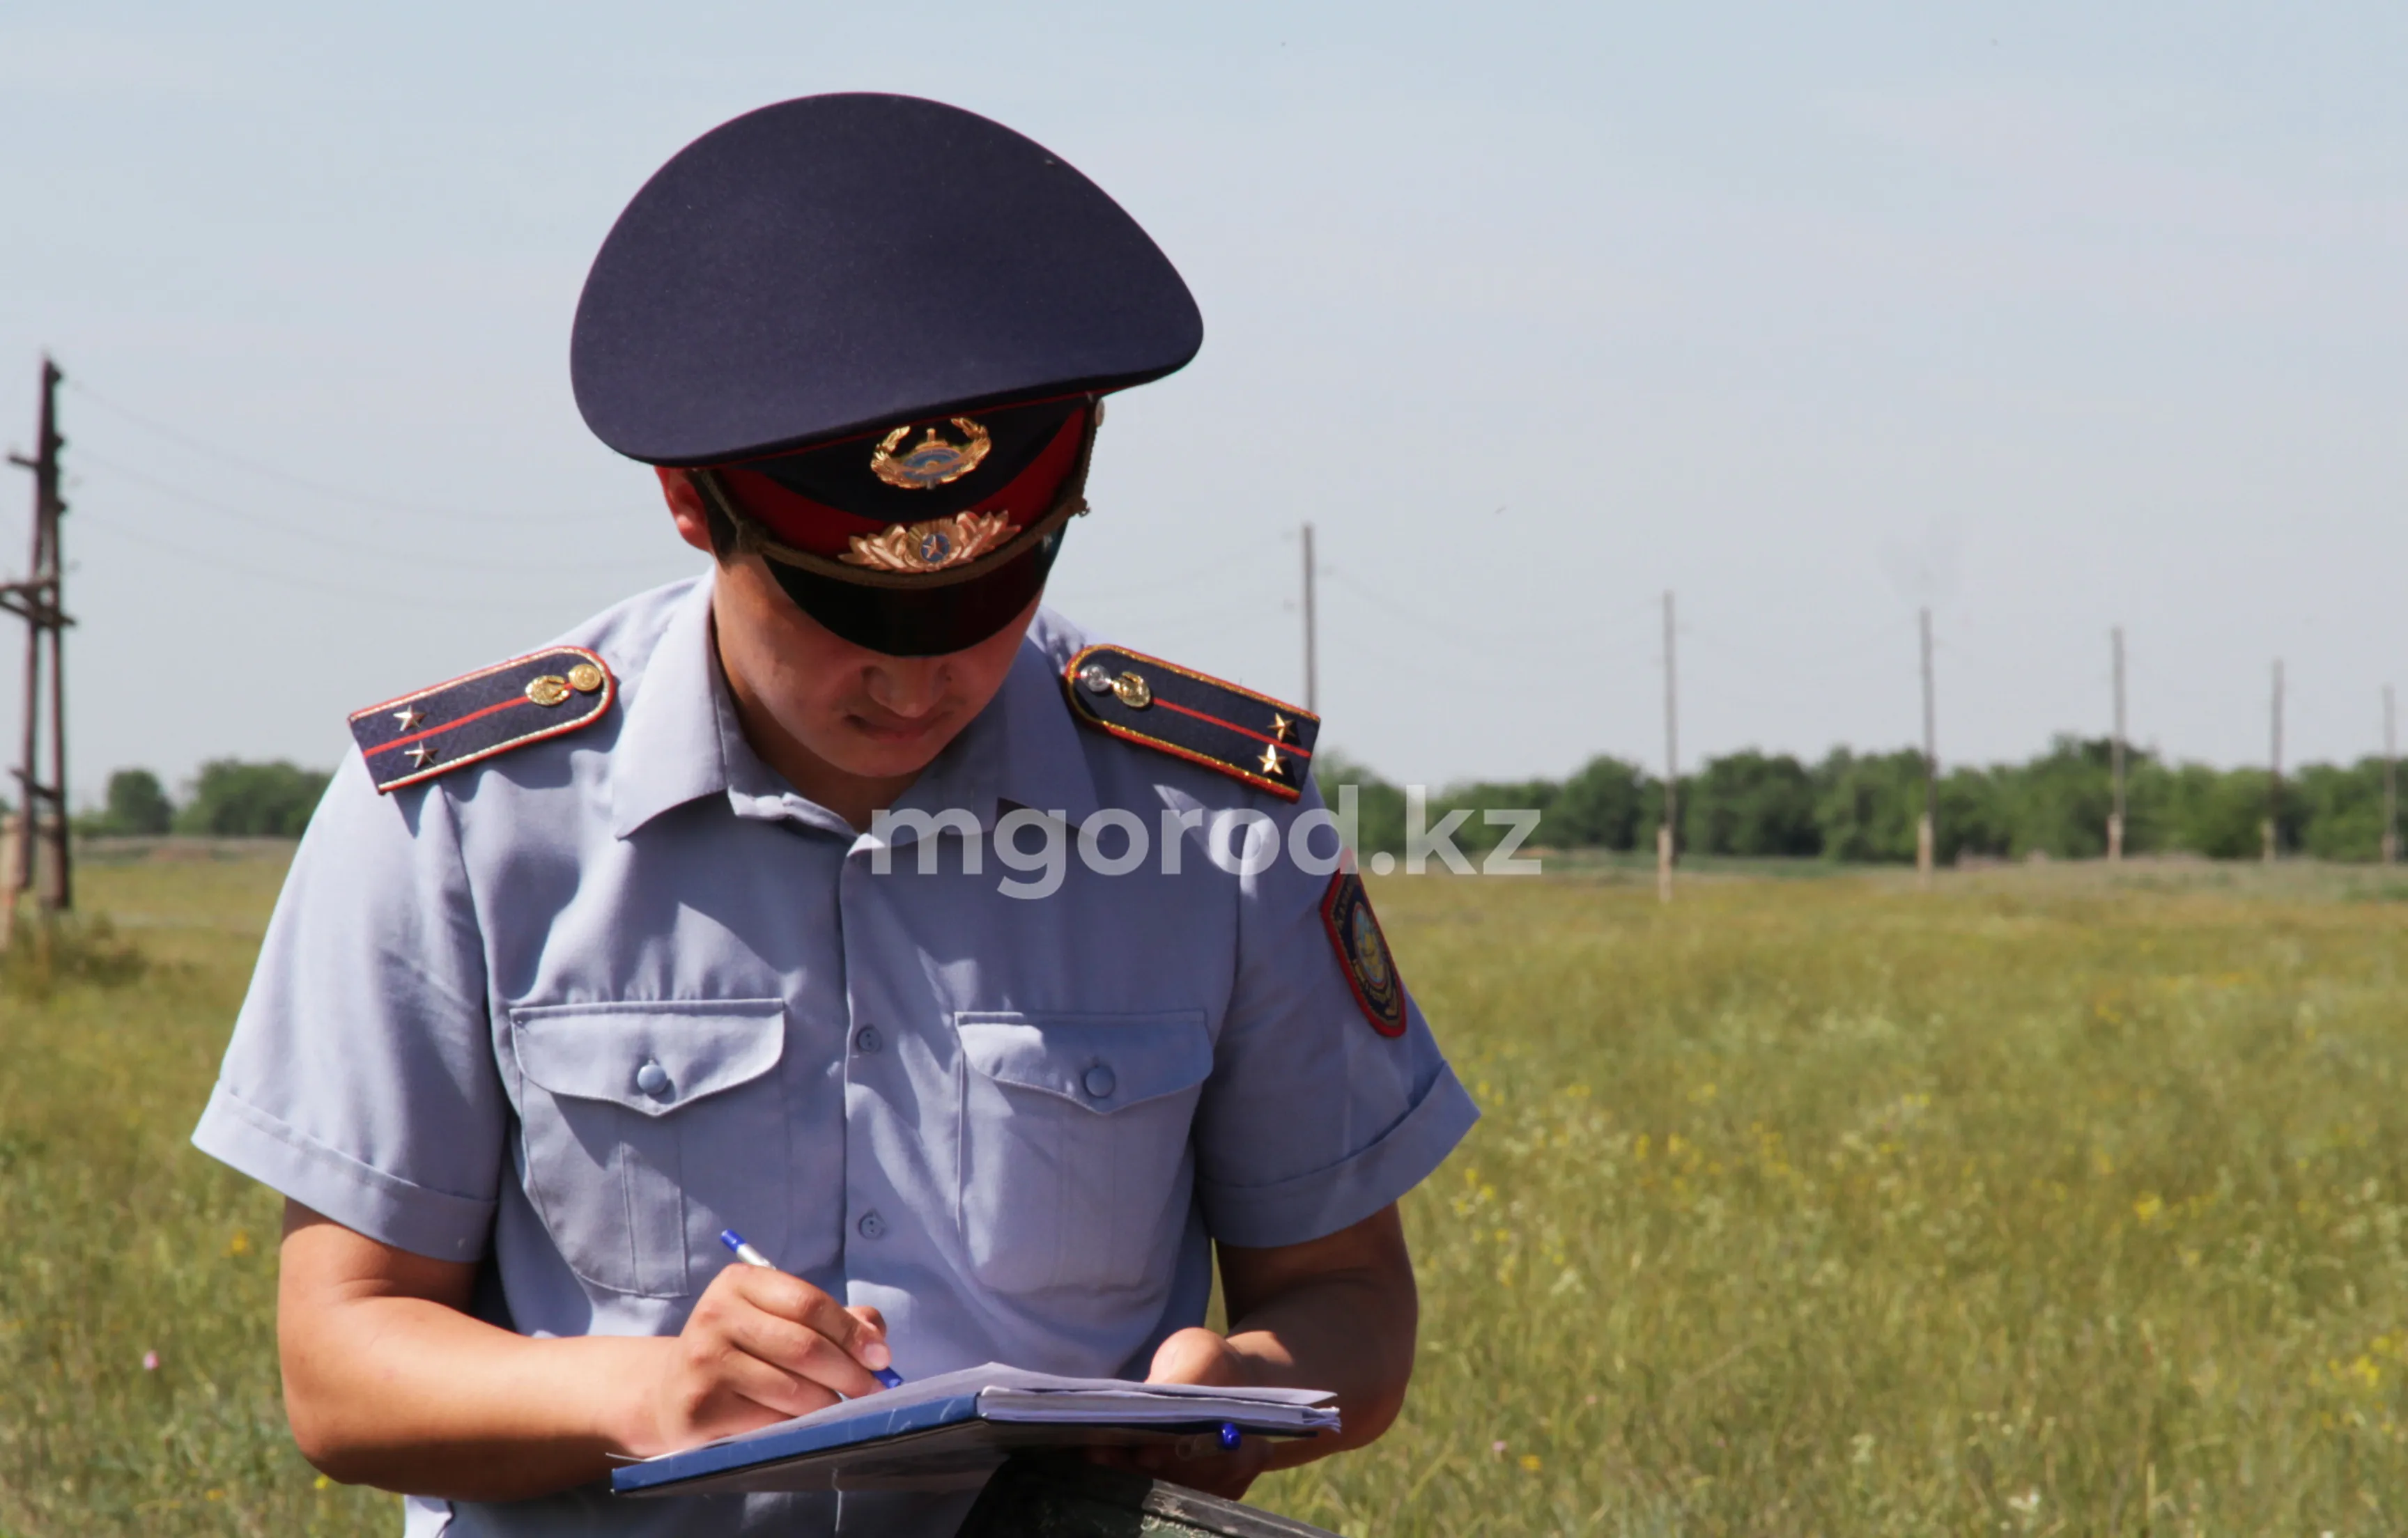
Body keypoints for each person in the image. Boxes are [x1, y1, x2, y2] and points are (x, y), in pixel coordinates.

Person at [192, 93, 1478, 1538]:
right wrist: (637, 1396)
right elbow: (340, 1365)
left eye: (988, 599)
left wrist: (1240, 1384)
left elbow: (1351, 1296)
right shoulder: (463, 821)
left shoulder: (1222, 820)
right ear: (692, 505)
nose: (917, 672)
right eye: (849, 609)